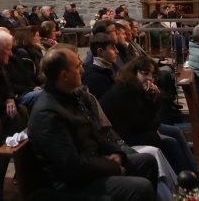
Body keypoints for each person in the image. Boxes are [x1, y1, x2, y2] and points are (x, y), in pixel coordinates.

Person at [27, 45, 157, 201]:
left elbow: (96, 134)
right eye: (78, 66)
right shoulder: (47, 114)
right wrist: (112, 167)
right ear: (64, 75)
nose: (83, 70)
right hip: (72, 185)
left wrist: (117, 154)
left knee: (147, 161)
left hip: (93, 164)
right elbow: (71, 166)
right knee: (141, 188)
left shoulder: (73, 97)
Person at [100, 56, 198, 176]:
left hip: (136, 128)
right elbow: (145, 122)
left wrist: (153, 99)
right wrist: (152, 101)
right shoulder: (126, 90)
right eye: (145, 74)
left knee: (175, 131)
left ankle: (193, 171)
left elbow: (148, 120)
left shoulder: (136, 87)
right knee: (169, 142)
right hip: (121, 136)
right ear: (134, 72)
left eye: (152, 75)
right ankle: (186, 179)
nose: (150, 79)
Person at [82, 33, 118, 100]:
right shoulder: (93, 77)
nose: (117, 51)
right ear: (100, 51)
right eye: (113, 48)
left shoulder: (113, 67)